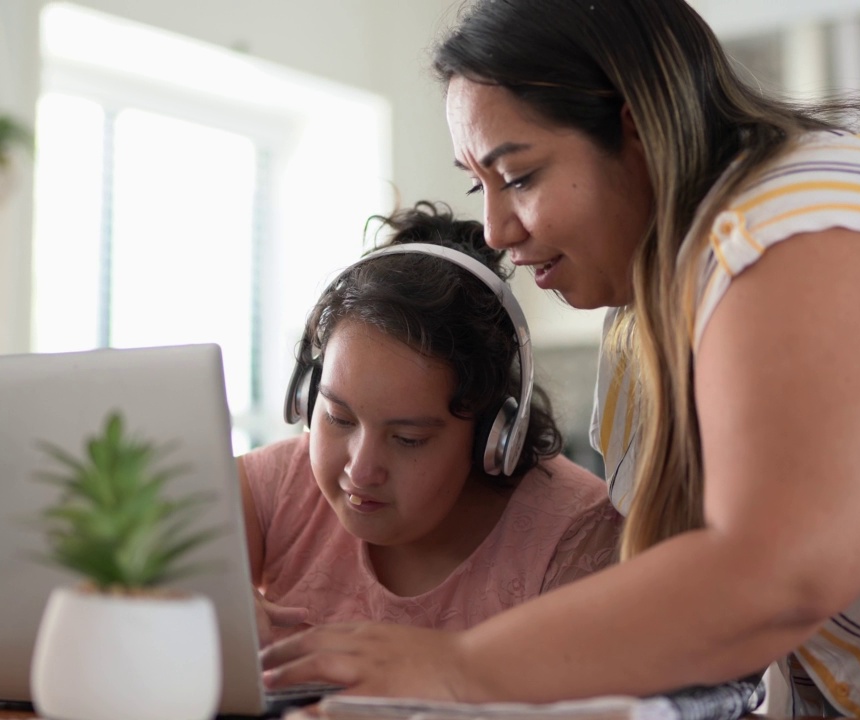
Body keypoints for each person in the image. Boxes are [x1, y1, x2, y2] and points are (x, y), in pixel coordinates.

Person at [258, 1, 860, 718]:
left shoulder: (789, 231)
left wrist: (457, 668)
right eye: (476, 184)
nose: (496, 230)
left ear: (633, 131)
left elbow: (780, 571)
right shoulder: (692, 283)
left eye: (518, 175)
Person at [240, 201, 622, 647]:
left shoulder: (578, 540)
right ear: (307, 396)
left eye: (408, 439)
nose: (360, 471)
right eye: (339, 418)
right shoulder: (277, 488)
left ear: (490, 437)